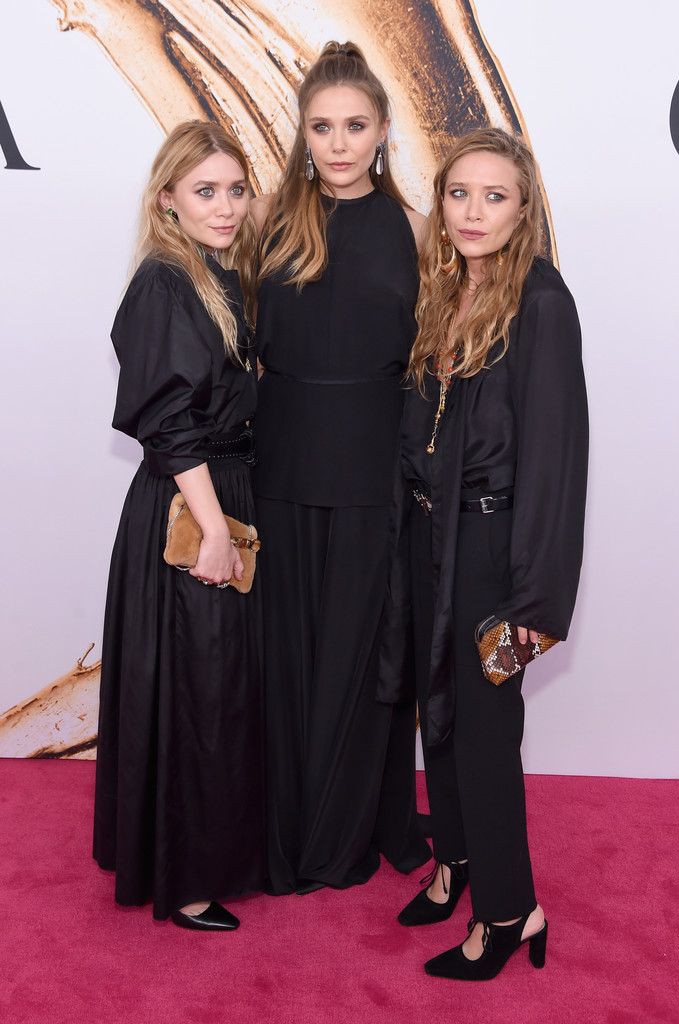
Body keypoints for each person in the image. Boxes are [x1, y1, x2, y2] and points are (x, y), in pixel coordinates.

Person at [378, 127, 588, 978]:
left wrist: (531, 603)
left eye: (493, 196)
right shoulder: (443, 289)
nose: (472, 212)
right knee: (438, 713)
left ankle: (509, 911)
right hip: (431, 536)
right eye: (458, 193)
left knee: (485, 733)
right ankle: (455, 861)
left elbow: (555, 461)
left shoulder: (540, 302)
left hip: (494, 550)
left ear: (522, 207)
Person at [251, 41, 430, 895]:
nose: (338, 144)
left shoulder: (418, 231)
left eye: (354, 126)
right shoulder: (263, 221)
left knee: (358, 657)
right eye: (321, 127)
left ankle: (343, 833)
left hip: (371, 471)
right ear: (302, 131)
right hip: (279, 463)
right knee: (284, 654)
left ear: (383, 129)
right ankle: (281, 826)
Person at [93, 120, 265, 930]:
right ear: (167, 199)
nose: (224, 206)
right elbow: (167, 422)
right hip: (190, 502)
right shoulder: (165, 282)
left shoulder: (221, 273)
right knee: (199, 686)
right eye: (204, 191)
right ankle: (188, 881)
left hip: (219, 491)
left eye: (235, 190)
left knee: (212, 686)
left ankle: (198, 851)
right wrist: (217, 529)